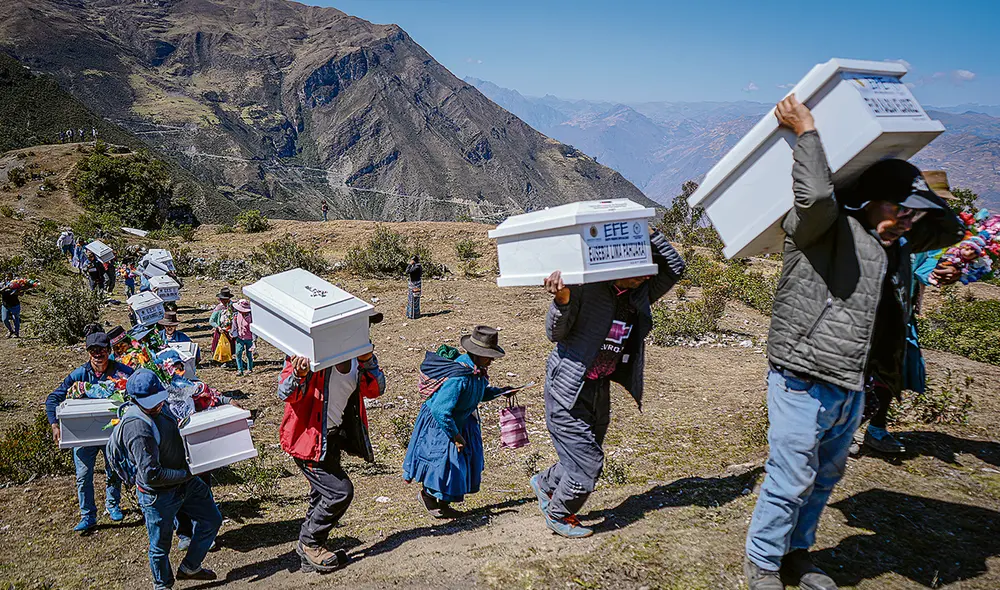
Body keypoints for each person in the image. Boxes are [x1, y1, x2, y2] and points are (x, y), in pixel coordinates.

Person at [742, 96, 965, 590]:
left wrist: (913, 192)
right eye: (901, 210)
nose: (909, 221)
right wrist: (807, 133)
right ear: (869, 201)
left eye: (913, 215)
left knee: (823, 479)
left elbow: (952, 228)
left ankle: (796, 555)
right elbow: (817, 196)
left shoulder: (898, 244)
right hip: (801, 377)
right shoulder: (821, 230)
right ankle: (762, 561)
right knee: (790, 476)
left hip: (850, 383)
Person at [531, 230, 685, 539]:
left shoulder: (639, 290)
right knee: (589, 463)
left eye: (647, 269)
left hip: (600, 386)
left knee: (586, 450)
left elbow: (675, 267)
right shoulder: (585, 287)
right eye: (638, 271)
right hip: (567, 388)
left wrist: (646, 232)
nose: (644, 277)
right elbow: (554, 333)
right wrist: (561, 301)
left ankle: (546, 483)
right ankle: (559, 512)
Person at [276, 313, 385, 573]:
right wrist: (300, 374)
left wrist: (368, 360)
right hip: (307, 441)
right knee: (340, 491)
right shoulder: (309, 355)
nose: (364, 333)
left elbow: (376, 390)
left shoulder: (359, 358)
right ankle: (310, 543)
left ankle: (309, 555)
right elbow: (285, 393)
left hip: (331, 439)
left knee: (320, 494)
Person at [121, 369, 222, 588]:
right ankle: (162, 585)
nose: (157, 405)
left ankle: (190, 567)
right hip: (158, 495)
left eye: (158, 399)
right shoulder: (137, 427)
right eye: (151, 402)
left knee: (211, 519)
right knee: (160, 546)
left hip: (185, 482)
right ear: (135, 401)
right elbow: (151, 474)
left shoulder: (162, 406)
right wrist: (187, 473)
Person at [404, 326, 513, 518]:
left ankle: (444, 503)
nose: (492, 360)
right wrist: (454, 436)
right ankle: (428, 496)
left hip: (460, 420)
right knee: (442, 463)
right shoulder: (459, 377)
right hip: (441, 423)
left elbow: (478, 394)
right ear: (476, 353)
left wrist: (500, 391)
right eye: (488, 355)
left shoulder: (477, 371)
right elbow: (440, 409)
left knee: (461, 462)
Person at [46, 331, 135, 533]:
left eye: (101, 350)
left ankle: (113, 506)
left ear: (108, 351)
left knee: (114, 469)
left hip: (112, 434)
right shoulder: (78, 374)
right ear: (88, 353)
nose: (97, 354)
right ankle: (88, 515)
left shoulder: (121, 372)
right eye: (93, 350)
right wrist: (54, 424)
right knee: (83, 475)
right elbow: (53, 398)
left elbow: (139, 389)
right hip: (83, 435)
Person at [231, 299, 255, 376]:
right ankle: (240, 370)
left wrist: (254, 340)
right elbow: (234, 326)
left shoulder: (251, 317)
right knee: (238, 353)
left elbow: (254, 329)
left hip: (249, 338)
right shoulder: (236, 315)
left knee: (249, 354)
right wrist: (233, 333)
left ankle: (250, 369)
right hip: (240, 337)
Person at [209, 287, 233, 358]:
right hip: (221, 330)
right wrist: (218, 327)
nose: (224, 301)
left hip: (231, 330)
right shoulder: (219, 308)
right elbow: (211, 321)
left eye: (226, 299)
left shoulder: (233, 306)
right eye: (223, 300)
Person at [405, 255, 422, 320]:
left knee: (414, 299)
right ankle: (411, 314)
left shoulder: (417, 267)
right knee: (411, 299)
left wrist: (409, 264)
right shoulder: (417, 266)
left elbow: (407, 271)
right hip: (413, 285)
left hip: (415, 285)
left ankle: (413, 315)